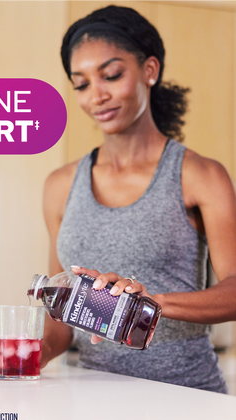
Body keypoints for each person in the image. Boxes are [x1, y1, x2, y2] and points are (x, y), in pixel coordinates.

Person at [40, 5, 236, 394]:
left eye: (111, 75)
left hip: (186, 397)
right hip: (94, 396)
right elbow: (61, 316)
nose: (97, 96)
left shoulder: (199, 175)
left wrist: (150, 302)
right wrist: (32, 350)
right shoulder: (61, 185)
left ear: (150, 70)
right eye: (81, 84)